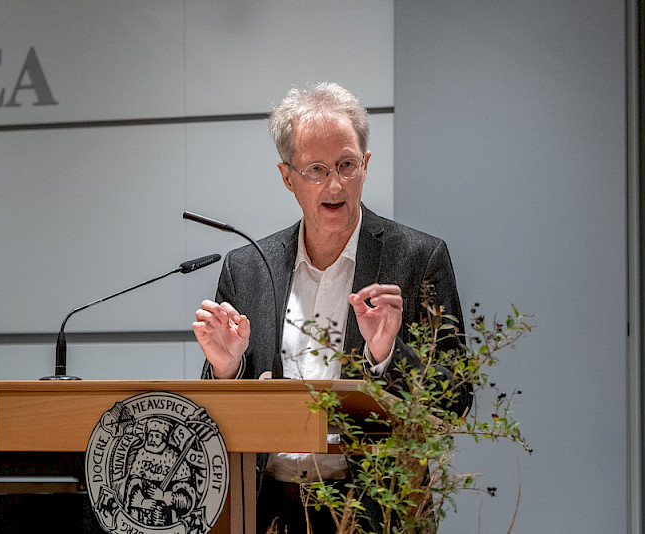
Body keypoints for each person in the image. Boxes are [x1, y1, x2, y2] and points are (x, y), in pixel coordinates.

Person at [192, 82, 468, 533]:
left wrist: (387, 354)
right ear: (287, 177)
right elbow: (218, 418)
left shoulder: (418, 259)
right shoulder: (247, 268)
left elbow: (455, 399)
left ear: (366, 165)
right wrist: (227, 369)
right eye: (316, 169)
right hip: (264, 508)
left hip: (374, 509)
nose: (335, 184)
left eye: (346, 165)